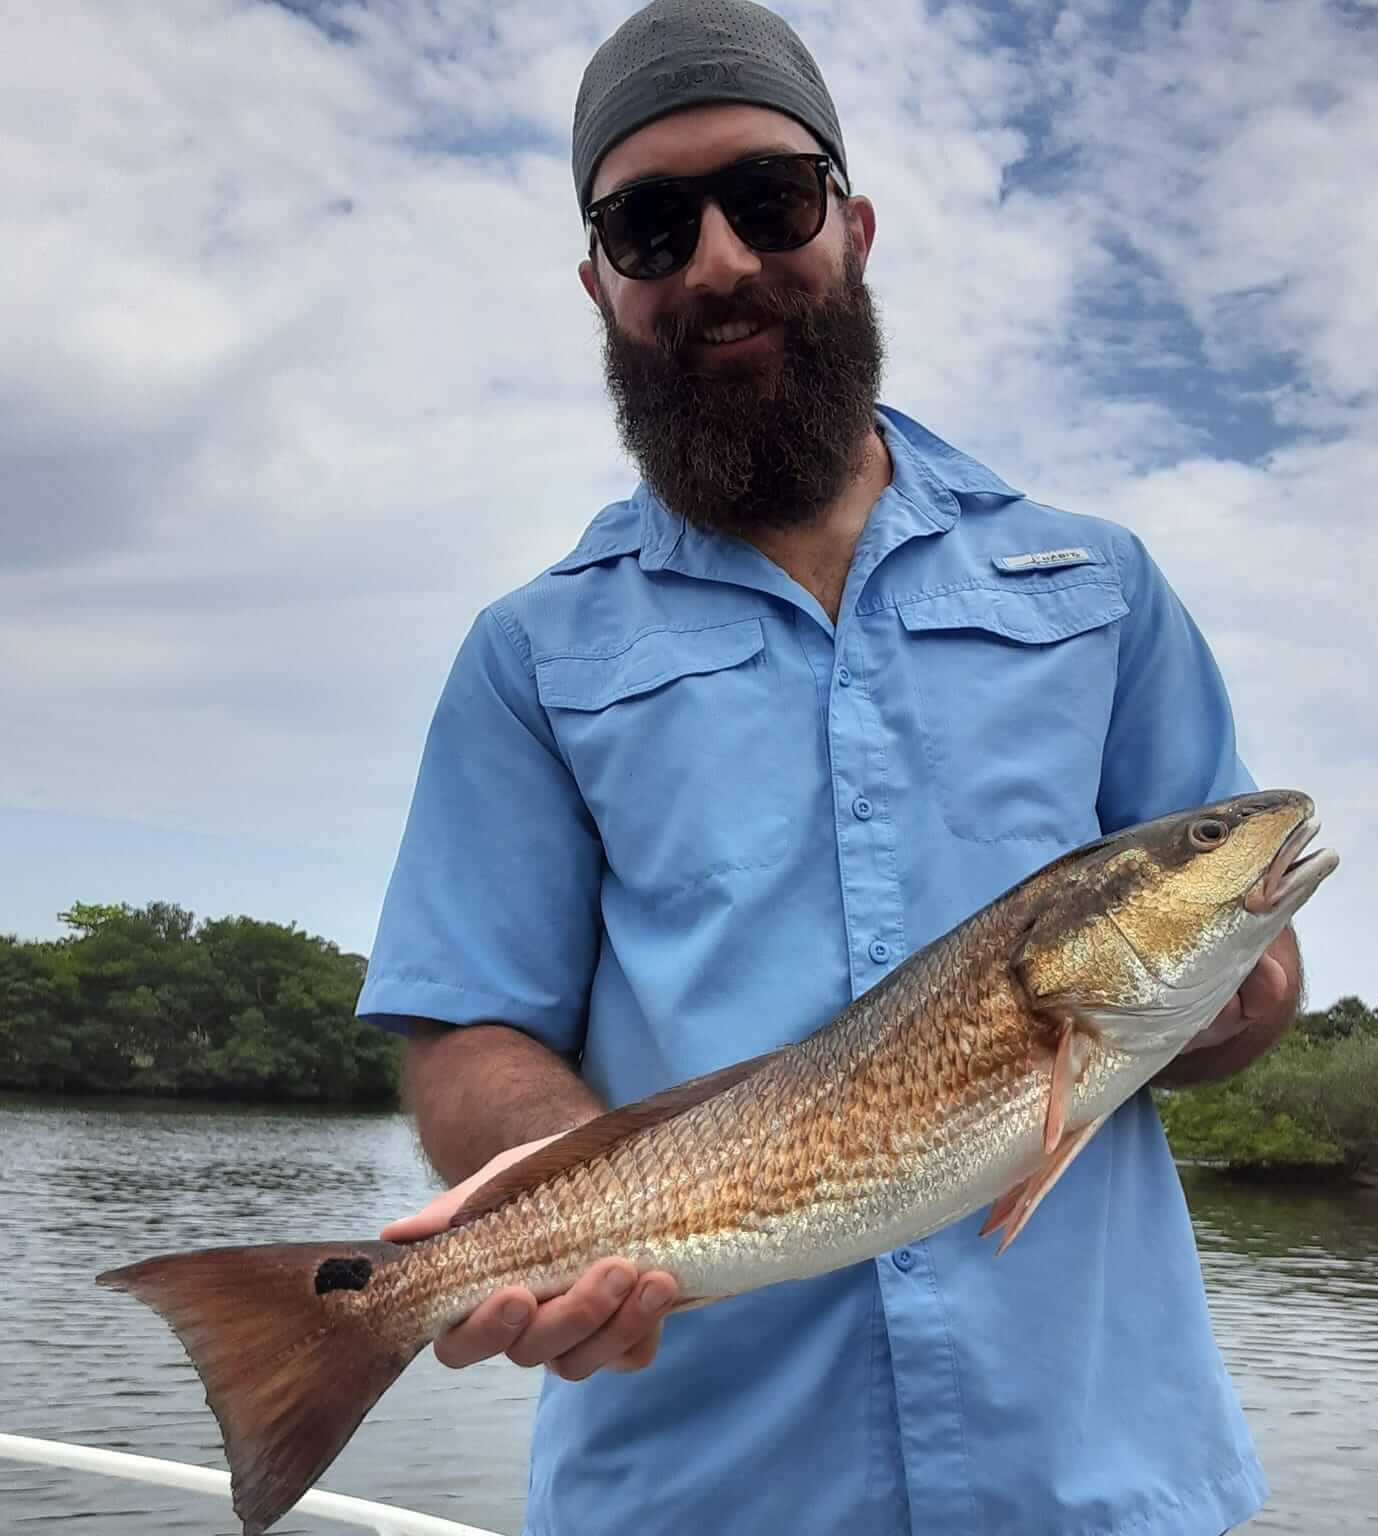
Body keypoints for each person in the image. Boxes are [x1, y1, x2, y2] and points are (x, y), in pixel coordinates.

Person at [356, 2, 1302, 1532]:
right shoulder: (529, 653)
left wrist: (1244, 990)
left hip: (1094, 1477)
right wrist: (554, 1214)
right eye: (652, 227)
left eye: (770, 198)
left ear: (853, 227)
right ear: (601, 284)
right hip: (696, 1486)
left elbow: (1225, 976)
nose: (720, 261)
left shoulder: (1102, 589)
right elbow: (468, 1022)